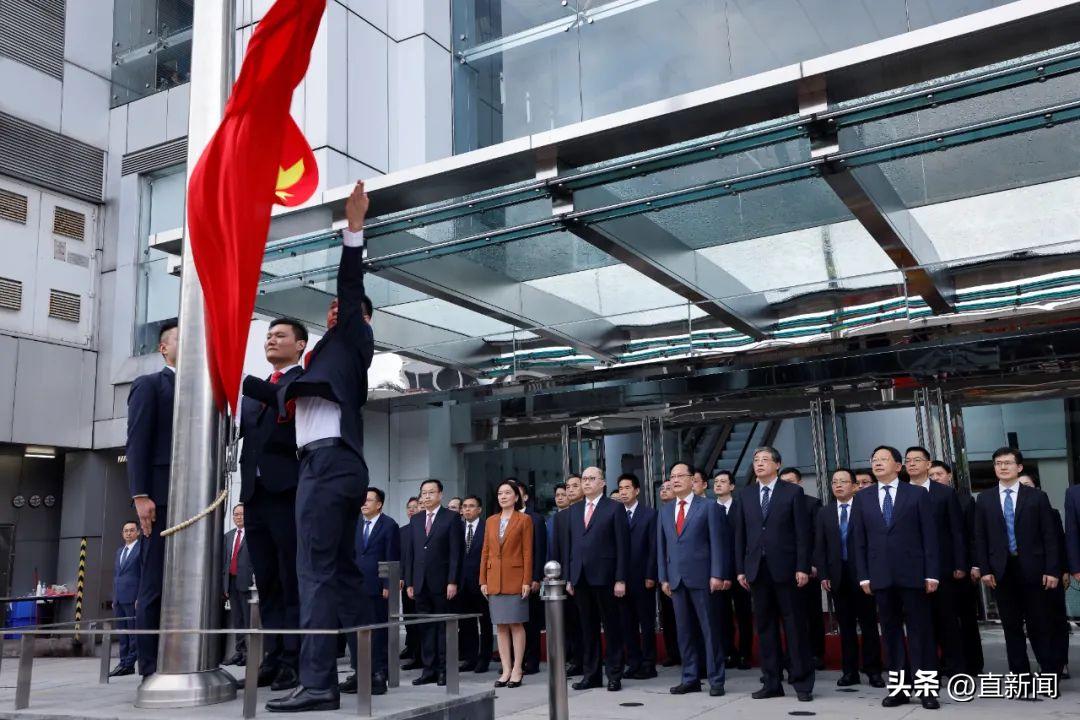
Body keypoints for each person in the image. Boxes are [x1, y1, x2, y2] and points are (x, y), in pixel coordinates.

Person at [267, 181, 374, 713]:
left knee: (313, 572)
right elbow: (282, 389)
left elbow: (351, 288)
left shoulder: (352, 338)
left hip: (328, 464)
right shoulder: (324, 359)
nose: (334, 312)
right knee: (344, 574)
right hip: (333, 464)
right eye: (330, 310)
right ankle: (371, 672)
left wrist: (353, 231)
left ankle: (318, 684)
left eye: (341, 309)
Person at [237, 318, 306, 690]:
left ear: (300, 345)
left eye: (280, 335)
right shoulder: (253, 394)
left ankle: (293, 659)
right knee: (265, 581)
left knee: (289, 578)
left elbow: (287, 410)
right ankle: (273, 656)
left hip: (287, 492)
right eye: (268, 336)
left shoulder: (303, 381)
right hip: (255, 496)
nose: (271, 340)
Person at [851, 445, 939, 710]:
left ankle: (926, 690)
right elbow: (859, 540)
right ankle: (899, 689)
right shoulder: (862, 498)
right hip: (880, 576)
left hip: (914, 574)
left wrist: (932, 573)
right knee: (890, 634)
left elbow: (929, 537)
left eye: (883, 459)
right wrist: (864, 576)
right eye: (874, 459)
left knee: (920, 633)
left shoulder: (917, 494)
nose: (877, 463)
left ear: (898, 466)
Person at [733, 447, 814, 702]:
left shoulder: (792, 492)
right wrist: (740, 569)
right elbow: (740, 535)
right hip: (757, 569)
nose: (759, 464)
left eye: (765, 460)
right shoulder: (746, 494)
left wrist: (802, 566)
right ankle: (771, 682)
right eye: (756, 460)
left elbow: (802, 534)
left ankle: (802, 683)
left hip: (787, 569)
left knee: (794, 627)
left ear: (777, 464)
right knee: (765, 628)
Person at [973, 450, 1060, 676]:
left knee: (1039, 625)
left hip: (1033, 569)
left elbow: (1049, 535)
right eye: (998, 463)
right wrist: (985, 569)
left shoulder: (1036, 497)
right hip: (1002, 570)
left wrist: (1052, 570)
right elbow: (980, 537)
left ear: (1019, 467)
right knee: (1011, 627)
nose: (1003, 467)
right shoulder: (985, 498)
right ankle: (1020, 677)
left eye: (1008, 463)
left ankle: (1049, 676)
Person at [126, 320, 177, 679]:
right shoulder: (150, 385)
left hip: (198, 499)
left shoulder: (206, 387)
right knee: (154, 583)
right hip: (159, 498)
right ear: (163, 348)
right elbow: (137, 441)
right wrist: (140, 494)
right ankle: (149, 665)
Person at [658, 462, 729, 696]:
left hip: (703, 577)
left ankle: (716, 679)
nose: (675, 480)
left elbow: (717, 542)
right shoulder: (665, 510)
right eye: (672, 476)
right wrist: (663, 577)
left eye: (681, 476)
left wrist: (717, 574)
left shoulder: (708, 506)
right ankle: (690, 677)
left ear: (692, 479)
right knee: (684, 631)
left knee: (710, 630)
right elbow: (662, 547)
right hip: (676, 579)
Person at [814, 469, 883, 688]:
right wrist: (824, 574)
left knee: (869, 624)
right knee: (846, 627)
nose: (838, 485)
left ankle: (873, 671)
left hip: (864, 576)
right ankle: (849, 672)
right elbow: (820, 546)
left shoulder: (865, 509)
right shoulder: (825, 512)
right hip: (838, 576)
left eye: (843, 481)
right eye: (834, 482)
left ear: (854, 486)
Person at [565, 466, 629, 692]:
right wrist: (570, 577)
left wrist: (621, 578)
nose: (586, 482)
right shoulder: (574, 510)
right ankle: (591, 675)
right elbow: (571, 546)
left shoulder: (614, 508)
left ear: (602, 482)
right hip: (580, 577)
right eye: (584, 479)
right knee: (587, 628)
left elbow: (623, 546)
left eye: (592, 478)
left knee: (611, 627)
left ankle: (614, 674)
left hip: (606, 577)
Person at [904, 447, 966, 679]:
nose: (912, 464)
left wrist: (960, 563)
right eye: (908, 460)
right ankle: (927, 670)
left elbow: (956, 531)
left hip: (942, 566)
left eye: (917, 460)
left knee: (947, 619)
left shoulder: (944, 493)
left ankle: (955, 668)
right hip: (911, 568)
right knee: (919, 622)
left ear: (928, 464)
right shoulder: (900, 492)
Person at [404, 479, 464, 686]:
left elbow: (456, 553)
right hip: (420, 583)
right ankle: (428, 669)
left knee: (443, 628)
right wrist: (410, 581)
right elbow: (411, 553)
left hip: (442, 583)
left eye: (431, 492)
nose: (427, 496)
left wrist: (452, 581)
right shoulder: (416, 519)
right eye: (424, 493)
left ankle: (444, 671)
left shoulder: (451, 518)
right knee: (425, 628)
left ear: (440, 495)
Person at [340, 487, 399, 696]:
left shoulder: (389, 525)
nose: (364, 503)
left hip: (377, 588)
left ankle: (379, 673)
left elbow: (392, 556)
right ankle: (359, 672)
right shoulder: (355, 523)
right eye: (363, 500)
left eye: (369, 500)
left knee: (378, 632)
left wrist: (388, 585)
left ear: (379, 504)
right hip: (354, 586)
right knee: (355, 632)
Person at [928, 461, 983, 675]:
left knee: (966, 617)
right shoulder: (926, 498)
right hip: (942, 570)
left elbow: (972, 535)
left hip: (964, 568)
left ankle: (973, 663)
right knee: (943, 618)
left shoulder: (965, 500)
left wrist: (974, 564)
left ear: (949, 476)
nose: (935, 478)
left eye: (939, 474)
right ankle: (948, 661)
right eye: (931, 475)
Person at [480, 481, 534, 689]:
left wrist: (526, 580)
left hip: (515, 578)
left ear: (516, 497)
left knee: (516, 624)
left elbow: (528, 552)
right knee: (500, 625)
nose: (503, 496)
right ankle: (506, 669)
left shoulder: (524, 519)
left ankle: (518, 668)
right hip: (494, 578)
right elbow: (485, 551)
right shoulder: (491, 521)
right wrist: (483, 579)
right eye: (500, 493)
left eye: (507, 493)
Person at [1018, 473, 1070, 678]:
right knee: (1036, 622)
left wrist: (1063, 570)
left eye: (1027, 485)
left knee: (1056, 618)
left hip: (1051, 572)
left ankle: (1061, 661)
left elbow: (1058, 542)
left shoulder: (1051, 513)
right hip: (1027, 576)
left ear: (1037, 489)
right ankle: (1045, 662)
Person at [780, 466, 825, 671]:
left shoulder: (811, 503)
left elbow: (817, 537)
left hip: (807, 568)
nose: (786, 485)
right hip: (784, 569)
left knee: (811, 613)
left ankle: (816, 653)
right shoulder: (776, 504)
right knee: (789, 615)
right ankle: (792, 655)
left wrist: (813, 564)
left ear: (799, 483)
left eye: (790, 481)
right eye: (783, 482)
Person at [618, 473, 658, 679]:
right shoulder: (616, 514)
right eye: (620, 489)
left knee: (646, 622)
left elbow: (653, 547)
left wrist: (651, 574)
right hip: (622, 579)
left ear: (637, 490)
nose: (623, 492)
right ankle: (633, 662)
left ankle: (649, 663)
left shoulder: (649, 514)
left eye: (627, 488)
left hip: (643, 577)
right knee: (627, 623)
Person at [712, 470, 752, 670]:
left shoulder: (741, 508)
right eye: (716, 482)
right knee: (722, 616)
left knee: (744, 614)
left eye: (723, 481)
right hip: (718, 572)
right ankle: (728, 652)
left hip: (740, 571)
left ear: (732, 486)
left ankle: (745, 654)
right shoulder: (709, 509)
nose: (718, 484)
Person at [549, 474, 584, 675]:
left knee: (588, 622)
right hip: (567, 578)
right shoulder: (560, 517)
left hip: (589, 576)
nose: (570, 490)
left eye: (574, 486)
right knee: (571, 622)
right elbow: (556, 551)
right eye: (568, 487)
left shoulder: (591, 512)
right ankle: (577, 661)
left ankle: (591, 661)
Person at [514, 481, 548, 675]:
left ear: (524, 497)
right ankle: (515, 661)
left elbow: (539, 550)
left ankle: (532, 661)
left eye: (516, 492)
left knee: (531, 622)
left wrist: (536, 577)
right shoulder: (502, 518)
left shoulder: (535, 518)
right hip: (510, 579)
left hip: (529, 578)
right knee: (512, 621)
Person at [457, 495, 492, 674]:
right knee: (466, 623)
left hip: (482, 583)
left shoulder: (487, 527)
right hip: (462, 584)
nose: (467, 509)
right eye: (465, 506)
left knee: (485, 622)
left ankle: (484, 658)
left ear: (479, 510)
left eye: (471, 506)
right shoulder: (457, 528)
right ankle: (470, 658)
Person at [223, 504, 255, 666]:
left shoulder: (254, 534)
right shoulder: (228, 536)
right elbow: (224, 562)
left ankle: (250, 653)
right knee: (237, 619)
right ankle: (240, 651)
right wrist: (224, 586)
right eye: (236, 514)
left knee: (248, 619)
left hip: (247, 583)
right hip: (231, 582)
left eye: (241, 514)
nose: (238, 517)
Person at [109, 521, 141, 677]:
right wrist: (114, 597)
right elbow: (117, 576)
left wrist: (140, 596)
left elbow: (144, 574)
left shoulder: (141, 549)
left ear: (138, 532)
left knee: (133, 634)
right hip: (119, 599)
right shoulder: (119, 551)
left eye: (132, 530)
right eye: (126, 531)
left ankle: (128, 663)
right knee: (122, 633)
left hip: (133, 597)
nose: (128, 533)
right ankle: (124, 664)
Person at [657, 478, 681, 668]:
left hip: (686, 572)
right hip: (667, 573)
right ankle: (673, 653)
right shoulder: (661, 514)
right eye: (662, 488)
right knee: (668, 617)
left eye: (668, 487)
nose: (664, 491)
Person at [400, 497, 422, 670]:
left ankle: (420, 655)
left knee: (421, 620)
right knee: (409, 619)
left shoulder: (424, 529)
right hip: (406, 582)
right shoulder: (402, 531)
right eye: (409, 507)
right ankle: (412, 650)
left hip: (421, 581)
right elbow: (400, 557)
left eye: (415, 506)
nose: (412, 510)